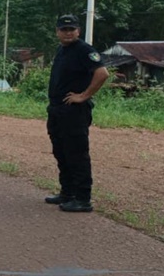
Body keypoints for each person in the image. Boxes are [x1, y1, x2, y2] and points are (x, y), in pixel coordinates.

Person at [44, 14, 109, 213]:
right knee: (61, 152)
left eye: (71, 29)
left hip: (74, 112)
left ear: (78, 31)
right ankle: (67, 192)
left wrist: (83, 95)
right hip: (57, 110)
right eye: (64, 29)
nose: (68, 32)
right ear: (57, 32)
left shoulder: (84, 50)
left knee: (77, 154)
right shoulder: (62, 50)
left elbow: (102, 73)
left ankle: (83, 198)